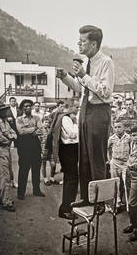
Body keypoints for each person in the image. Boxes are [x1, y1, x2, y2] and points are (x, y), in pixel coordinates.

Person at [56, 25, 115, 206]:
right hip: (85, 110)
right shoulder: (85, 62)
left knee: (97, 158)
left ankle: (99, 201)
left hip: (98, 112)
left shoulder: (106, 62)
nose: (79, 44)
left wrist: (84, 75)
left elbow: (105, 92)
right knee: (84, 158)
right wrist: (65, 77)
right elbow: (81, 89)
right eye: (79, 40)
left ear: (94, 43)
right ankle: (87, 197)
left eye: (83, 41)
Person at [0, 103, 17, 211]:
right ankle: (6, 202)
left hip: (7, 149)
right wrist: (10, 138)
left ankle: (2, 199)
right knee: (5, 176)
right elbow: (0, 137)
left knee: (8, 174)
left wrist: (11, 136)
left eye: (6, 110)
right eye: (4, 110)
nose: (6, 112)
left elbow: (14, 132)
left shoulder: (5, 121)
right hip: (0, 149)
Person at [16, 99, 45, 200]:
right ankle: (21, 193)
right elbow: (20, 131)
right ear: (22, 108)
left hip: (35, 146)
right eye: (25, 106)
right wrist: (33, 129)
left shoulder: (37, 118)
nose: (28, 108)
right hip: (24, 147)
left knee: (36, 169)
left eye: (29, 106)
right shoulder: (19, 119)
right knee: (23, 169)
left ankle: (36, 190)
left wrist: (28, 129)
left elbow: (41, 130)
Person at [107, 119, 131, 208]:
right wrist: (109, 161)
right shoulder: (112, 138)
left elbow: (131, 149)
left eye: (119, 127)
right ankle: (117, 202)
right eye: (116, 127)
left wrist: (130, 161)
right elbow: (107, 149)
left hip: (125, 163)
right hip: (115, 163)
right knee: (115, 183)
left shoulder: (128, 137)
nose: (118, 129)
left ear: (123, 127)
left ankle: (128, 203)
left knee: (126, 183)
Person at [6, 96, 22, 188]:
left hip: (18, 131)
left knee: (19, 146)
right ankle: (8, 152)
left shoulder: (19, 110)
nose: (13, 102)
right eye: (12, 101)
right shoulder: (7, 111)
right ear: (9, 102)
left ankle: (20, 156)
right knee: (8, 146)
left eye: (14, 101)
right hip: (10, 130)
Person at [40, 117, 57, 186]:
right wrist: (40, 151)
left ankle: (52, 178)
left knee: (53, 163)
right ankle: (45, 179)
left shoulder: (51, 130)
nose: (47, 124)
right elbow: (38, 141)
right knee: (43, 163)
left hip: (51, 148)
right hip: (43, 148)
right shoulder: (40, 130)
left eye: (48, 122)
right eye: (45, 122)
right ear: (42, 122)